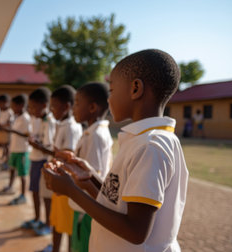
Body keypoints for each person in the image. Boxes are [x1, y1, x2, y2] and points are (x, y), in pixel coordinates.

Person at [43, 49, 189, 251]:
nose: (109, 99)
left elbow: (135, 231)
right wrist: (89, 179)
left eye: (111, 90)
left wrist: (71, 191)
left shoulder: (151, 146)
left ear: (135, 88)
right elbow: (119, 203)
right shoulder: (140, 140)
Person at [56, 82, 114, 252]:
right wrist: (69, 161)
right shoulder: (90, 132)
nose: (73, 108)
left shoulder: (95, 136)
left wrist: (65, 178)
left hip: (86, 209)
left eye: (77, 103)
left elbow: (90, 176)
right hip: (83, 206)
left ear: (92, 107)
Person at [44, 85, 83, 252]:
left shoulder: (71, 128)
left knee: (67, 226)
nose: (51, 110)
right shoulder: (62, 124)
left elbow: (69, 155)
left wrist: (56, 156)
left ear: (66, 107)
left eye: (54, 106)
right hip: (59, 182)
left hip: (66, 184)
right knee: (58, 222)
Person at [22, 87, 56, 236]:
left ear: (43, 105)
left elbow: (49, 146)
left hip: (44, 161)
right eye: (29, 107)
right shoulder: (37, 120)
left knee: (46, 195)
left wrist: (36, 145)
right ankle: (37, 218)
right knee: (35, 191)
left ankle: (48, 224)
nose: (31, 110)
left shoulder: (49, 121)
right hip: (35, 159)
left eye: (33, 107)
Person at [0, 94, 31, 204]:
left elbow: (26, 134)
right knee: (12, 169)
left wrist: (10, 131)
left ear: (20, 106)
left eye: (14, 106)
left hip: (22, 150)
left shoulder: (26, 118)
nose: (12, 108)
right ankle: (10, 187)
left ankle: (23, 195)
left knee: (22, 174)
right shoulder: (17, 117)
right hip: (14, 149)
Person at [0, 94, 13, 170]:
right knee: (2, 146)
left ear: (6, 102)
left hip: (7, 132)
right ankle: (4, 161)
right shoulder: (1, 111)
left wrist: (2, 125)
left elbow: (9, 122)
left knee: (7, 148)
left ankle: (7, 163)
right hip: (1, 131)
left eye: (0, 103)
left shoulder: (10, 112)